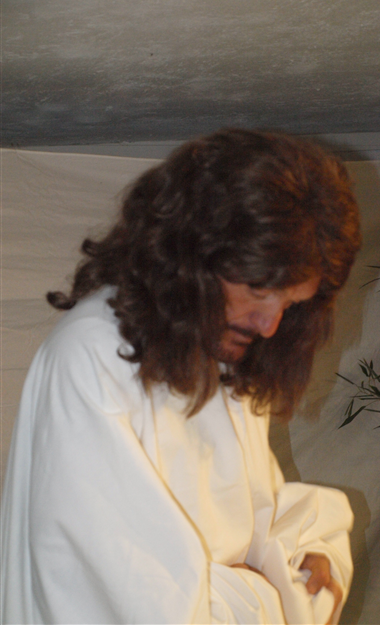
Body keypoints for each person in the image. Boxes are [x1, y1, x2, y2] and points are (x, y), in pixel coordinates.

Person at [1, 128, 361, 624]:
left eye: (291, 303)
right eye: (259, 290)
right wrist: (272, 591)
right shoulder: (93, 355)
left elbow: (254, 519)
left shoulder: (215, 348)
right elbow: (124, 602)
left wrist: (305, 555)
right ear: (194, 252)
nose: (270, 325)